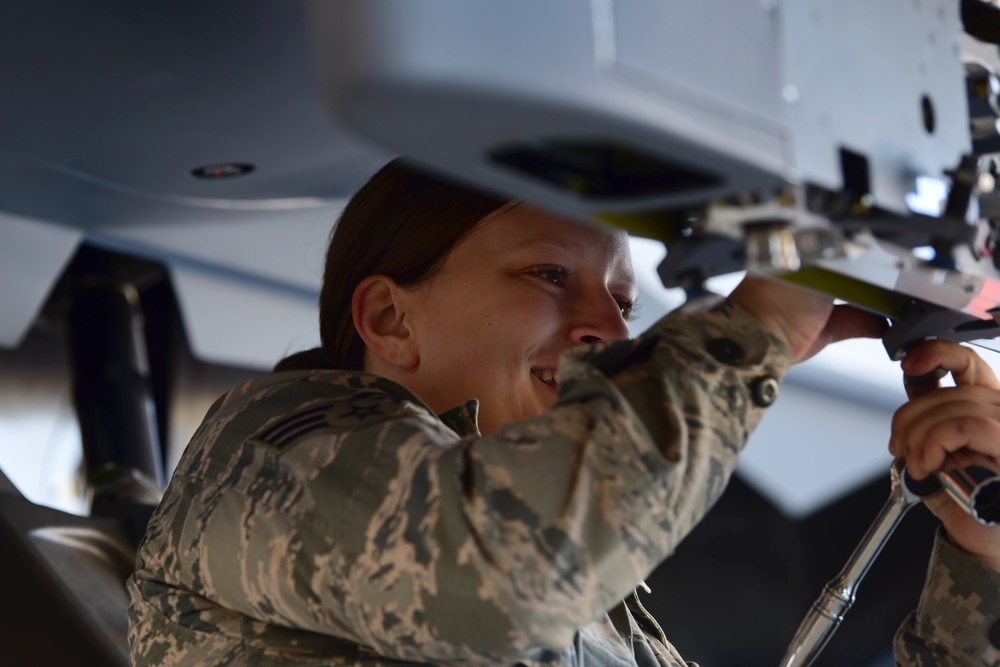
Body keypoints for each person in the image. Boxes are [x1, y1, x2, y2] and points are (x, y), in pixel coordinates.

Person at [127, 159, 1000, 666]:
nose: (607, 330)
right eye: (550, 275)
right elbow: (498, 581)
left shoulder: (585, 591)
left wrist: (981, 554)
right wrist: (759, 322)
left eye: (624, 299)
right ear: (390, 319)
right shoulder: (269, 452)